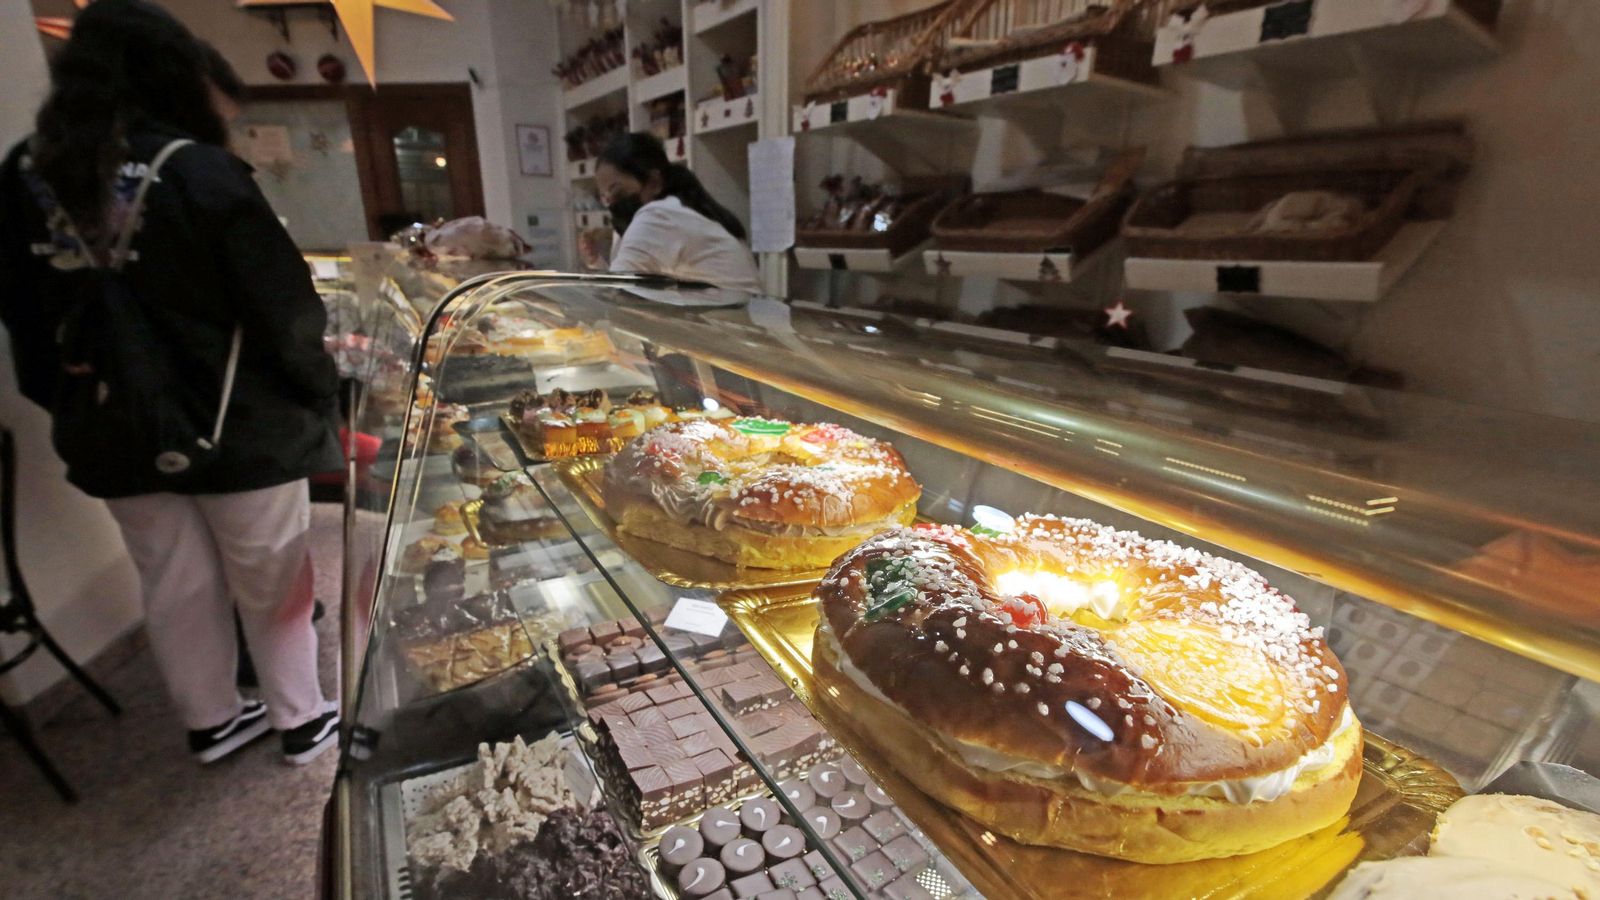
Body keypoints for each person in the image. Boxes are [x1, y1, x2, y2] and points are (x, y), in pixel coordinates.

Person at [0, 0, 342, 765]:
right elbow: (283, 307)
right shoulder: (195, 168)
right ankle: (300, 716)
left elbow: (19, 312)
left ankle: (212, 720)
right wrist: (321, 389)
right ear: (171, 72)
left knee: (170, 580)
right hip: (238, 422)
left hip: (111, 423)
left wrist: (69, 398)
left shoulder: (26, 171)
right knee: (271, 573)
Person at [596, 132, 763, 293]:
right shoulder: (681, 209)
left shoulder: (659, 215)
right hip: (732, 316)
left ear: (654, 182)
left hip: (726, 317)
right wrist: (597, 262)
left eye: (618, 193)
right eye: (606, 199)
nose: (613, 205)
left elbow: (615, 291)